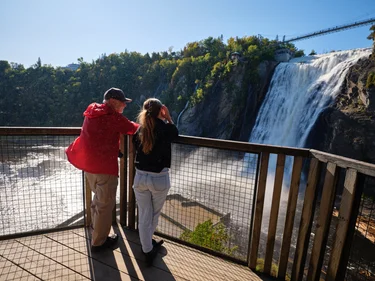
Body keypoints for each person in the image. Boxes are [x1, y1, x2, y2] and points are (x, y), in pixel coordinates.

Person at [66, 87, 139, 252]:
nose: (124, 106)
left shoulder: (92, 112)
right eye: (122, 103)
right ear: (113, 102)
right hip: (105, 168)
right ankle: (99, 243)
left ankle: (95, 230)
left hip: (89, 167)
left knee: (98, 202)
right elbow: (131, 128)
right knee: (105, 205)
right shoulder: (111, 116)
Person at [132, 98, 178, 266]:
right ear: (161, 111)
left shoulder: (140, 130)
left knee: (144, 214)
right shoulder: (166, 129)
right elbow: (175, 133)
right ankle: (148, 248)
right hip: (159, 179)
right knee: (153, 214)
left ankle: (147, 247)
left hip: (140, 178)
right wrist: (168, 118)